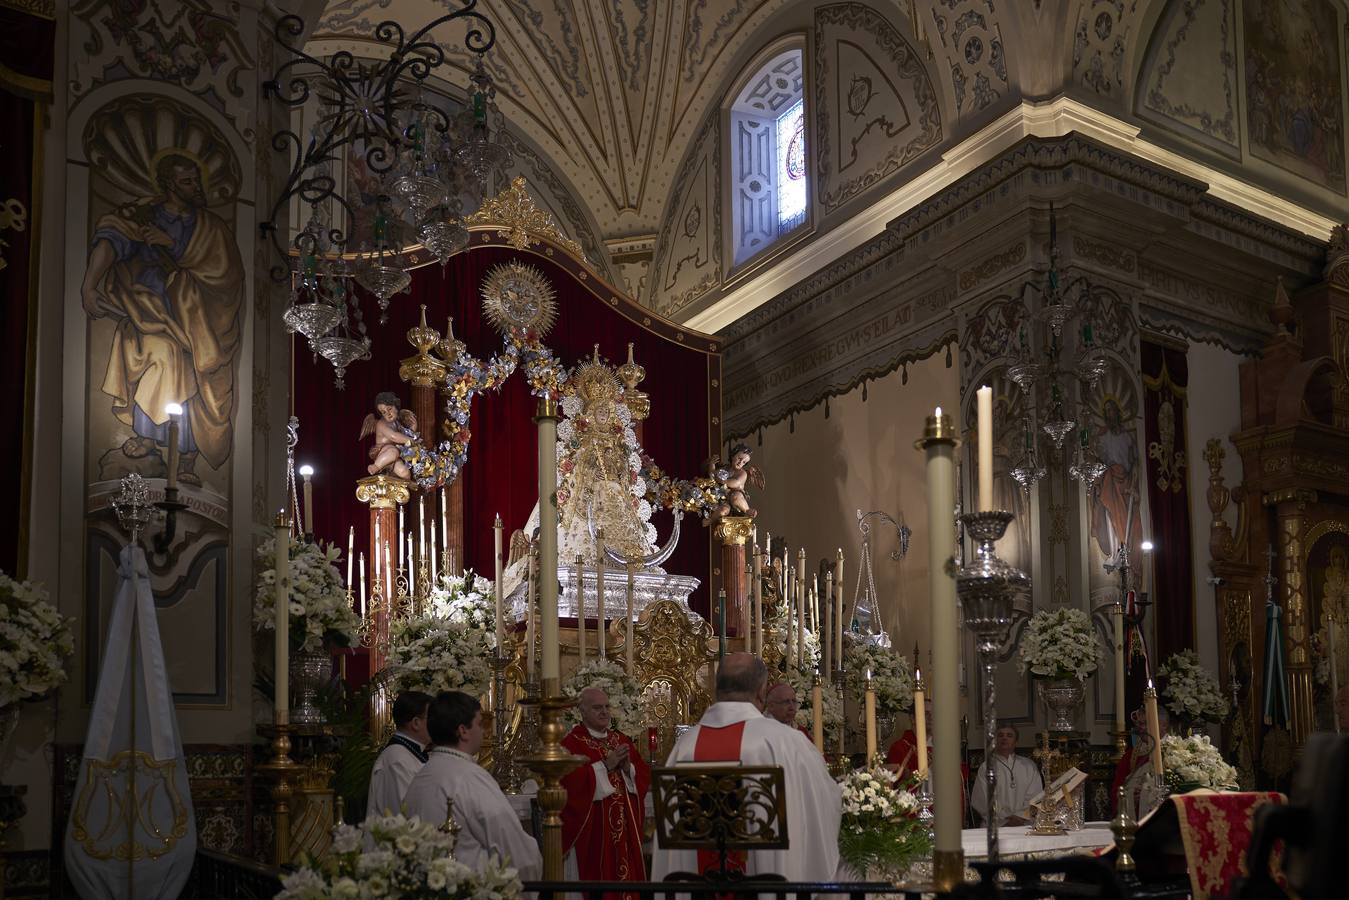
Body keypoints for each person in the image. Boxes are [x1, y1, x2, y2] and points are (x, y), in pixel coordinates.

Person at [80, 152, 244, 486]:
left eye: (196, 180)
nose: (194, 186)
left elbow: (227, 274)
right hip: (149, 309)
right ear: (169, 184)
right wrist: (88, 285)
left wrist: (175, 248)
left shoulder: (210, 227)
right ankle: (150, 438)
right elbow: (112, 238)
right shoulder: (146, 215)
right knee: (165, 358)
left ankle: (185, 455)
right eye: (186, 181)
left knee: (193, 371)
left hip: (197, 319)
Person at [651, 653, 840, 882]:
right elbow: (822, 803)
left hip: (700, 886)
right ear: (762, 691)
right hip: (766, 884)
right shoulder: (786, 741)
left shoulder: (684, 746)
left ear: (716, 689)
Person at [403, 691, 542, 878]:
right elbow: (517, 852)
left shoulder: (421, 776)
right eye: (479, 724)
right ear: (463, 731)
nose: (483, 731)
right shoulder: (470, 777)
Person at [560, 688, 650, 892]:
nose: (604, 712)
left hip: (624, 832)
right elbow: (569, 784)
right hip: (594, 834)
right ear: (581, 712)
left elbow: (643, 775)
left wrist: (628, 768)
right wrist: (605, 766)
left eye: (607, 706)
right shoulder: (571, 743)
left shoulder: (621, 740)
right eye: (597, 707)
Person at [885, 696, 969, 818]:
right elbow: (899, 782)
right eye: (926, 713)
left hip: (943, 812)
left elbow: (959, 777)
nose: (931, 718)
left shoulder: (942, 747)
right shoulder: (900, 747)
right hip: (915, 815)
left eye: (933, 714)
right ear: (912, 718)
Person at [365, 691, 432, 820]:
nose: (436, 724)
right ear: (416, 723)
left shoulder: (409, 753)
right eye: (431, 718)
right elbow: (405, 812)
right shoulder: (397, 759)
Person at [970, 722, 1042, 826]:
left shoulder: (1029, 766)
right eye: (1000, 735)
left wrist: (1021, 817)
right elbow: (982, 799)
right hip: (996, 826)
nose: (1004, 738)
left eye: (1009, 735)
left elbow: (1036, 796)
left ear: (1016, 741)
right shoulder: (986, 767)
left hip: (1024, 824)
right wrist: (1005, 820)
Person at [1112, 703, 1169, 819]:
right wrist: (1131, 796)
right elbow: (1117, 790)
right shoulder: (1131, 755)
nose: (1141, 727)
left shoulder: (1177, 751)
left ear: (1164, 725)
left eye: (1146, 723)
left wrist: (1146, 795)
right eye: (1140, 723)